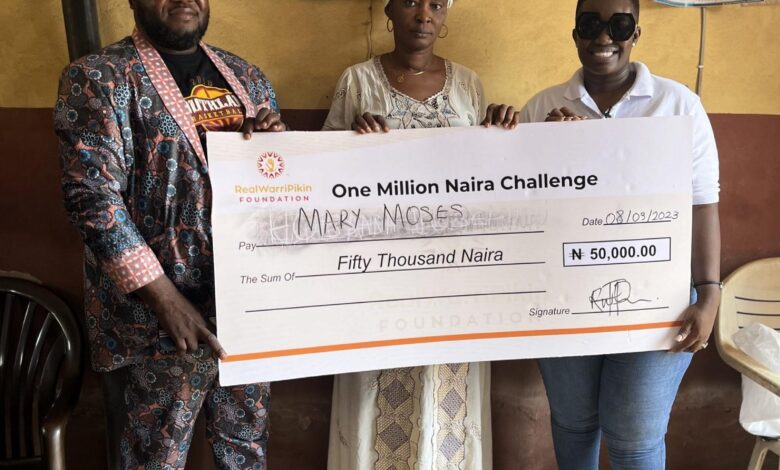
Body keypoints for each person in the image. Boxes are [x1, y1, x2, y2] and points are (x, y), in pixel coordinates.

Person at [54, 0, 285, 468]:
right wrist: (166, 300)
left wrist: (273, 145)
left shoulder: (248, 78)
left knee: (245, 451)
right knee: (154, 457)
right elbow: (91, 198)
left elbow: (279, 184)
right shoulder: (99, 77)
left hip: (245, 307)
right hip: (158, 323)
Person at [519, 0, 721, 469]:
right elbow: (522, 208)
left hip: (658, 300)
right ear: (575, 33)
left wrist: (710, 292)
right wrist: (548, 151)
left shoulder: (679, 106)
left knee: (634, 437)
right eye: (590, 24)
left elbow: (702, 203)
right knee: (574, 424)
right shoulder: (542, 107)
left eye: (620, 24)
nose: (603, 37)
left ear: (636, 33)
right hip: (564, 298)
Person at [323, 1, 518, 468]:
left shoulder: (468, 84)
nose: (424, 14)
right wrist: (351, 144)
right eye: (410, 2)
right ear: (389, 10)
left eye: (436, 4)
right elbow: (321, 178)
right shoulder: (357, 81)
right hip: (379, 278)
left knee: (446, 391)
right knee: (376, 390)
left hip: (454, 280)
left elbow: (487, 179)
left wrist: (499, 134)